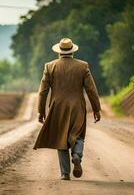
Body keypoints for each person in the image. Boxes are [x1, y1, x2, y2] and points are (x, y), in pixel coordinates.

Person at [33, 38, 101, 180]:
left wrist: (41, 111)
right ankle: (76, 155)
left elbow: (42, 91)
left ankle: (65, 173)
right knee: (79, 135)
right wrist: (96, 109)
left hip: (57, 108)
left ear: (59, 51)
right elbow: (91, 90)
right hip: (78, 108)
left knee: (61, 138)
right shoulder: (83, 66)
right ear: (72, 51)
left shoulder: (49, 66)